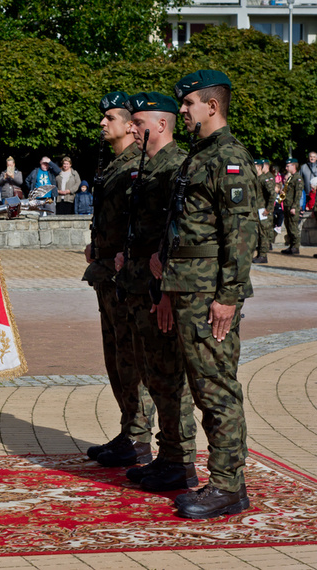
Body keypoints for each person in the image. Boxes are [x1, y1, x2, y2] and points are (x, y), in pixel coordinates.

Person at [150, 69, 258, 519]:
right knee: (199, 386)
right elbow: (182, 224)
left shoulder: (228, 157)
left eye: (189, 103)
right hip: (185, 286)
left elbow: (241, 233)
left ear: (211, 106)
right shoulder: (200, 156)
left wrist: (228, 296)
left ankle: (228, 486)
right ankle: (213, 478)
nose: (183, 111)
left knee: (216, 390)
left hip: (208, 291)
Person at [114, 92, 197, 493]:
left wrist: (164, 291)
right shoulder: (149, 166)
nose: (131, 128)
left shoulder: (175, 166)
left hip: (159, 291)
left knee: (169, 378)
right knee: (153, 376)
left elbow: (176, 234)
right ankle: (167, 457)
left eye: (138, 122)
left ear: (160, 125)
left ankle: (181, 462)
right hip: (138, 286)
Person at [82, 90, 155, 468]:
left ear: (129, 125)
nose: (102, 123)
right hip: (107, 274)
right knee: (116, 357)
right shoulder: (114, 165)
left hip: (126, 277)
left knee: (131, 358)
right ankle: (130, 431)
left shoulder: (138, 164)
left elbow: (142, 221)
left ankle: (140, 436)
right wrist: (96, 245)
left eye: (110, 117)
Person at [253, 159, 275, 264]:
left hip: (263, 211)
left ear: (259, 167)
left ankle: (263, 256)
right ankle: (260, 254)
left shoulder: (264, 179)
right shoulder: (256, 179)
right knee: (259, 233)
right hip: (258, 210)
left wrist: (268, 209)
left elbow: (273, 194)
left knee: (263, 233)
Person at [280, 157, 304, 255]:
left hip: (292, 206)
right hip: (287, 205)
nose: (286, 168)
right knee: (288, 227)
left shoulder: (297, 178)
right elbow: (287, 192)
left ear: (293, 166)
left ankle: (295, 247)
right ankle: (291, 246)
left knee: (293, 228)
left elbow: (298, 194)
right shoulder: (290, 178)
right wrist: (281, 196)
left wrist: (294, 207)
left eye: (287, 166)